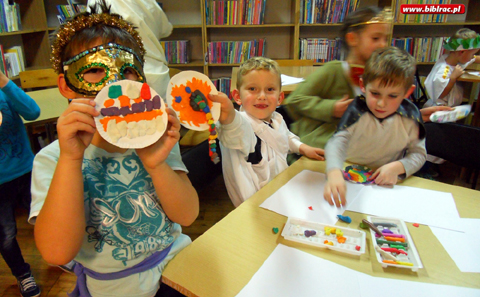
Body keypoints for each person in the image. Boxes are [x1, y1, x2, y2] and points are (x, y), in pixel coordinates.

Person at [28, 2, 198, 296]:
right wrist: (70, 159)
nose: (117, 81)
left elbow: (187, 216)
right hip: (112, 288)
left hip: (178, 268)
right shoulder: (53, 159)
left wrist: (156, 165)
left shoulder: (154, 140)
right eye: (94, 69)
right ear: (67, 85)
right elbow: (56, 253)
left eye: (129, 71)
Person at [210, 57, 325, 207]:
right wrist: (228, 115)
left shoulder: (276, 118)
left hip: (279, 192)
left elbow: (285, 137)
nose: (262, 96)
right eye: (252, 89)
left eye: (270, 89)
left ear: (279, 98)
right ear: (237, 97)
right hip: (254, 205)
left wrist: (302, 147)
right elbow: (234, 130)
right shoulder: (242, 125)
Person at [283, 6, 391, 163]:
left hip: (359, 152)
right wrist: (330, 108)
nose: (383, 45)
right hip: (320, 152)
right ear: (352, 39)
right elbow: (294, 100)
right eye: (375, 38)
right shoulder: (333, 70)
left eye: (385, 39)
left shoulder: (379, 76)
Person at [323, 47, 426, 207]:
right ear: (363, 85)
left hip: (382, 183)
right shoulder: (356, 110)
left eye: (392, 96)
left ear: (407, 92)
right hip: (347, 175)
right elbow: (336, 143)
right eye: (375, 93)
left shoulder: (410, 116)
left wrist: (399, 167)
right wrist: (334, 171)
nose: (381, 103)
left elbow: (419, 154)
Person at [0, 70, 41, 297]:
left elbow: (33, 112)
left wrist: (5, 83)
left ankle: (64, 255)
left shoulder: (4, 90)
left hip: (26, 169)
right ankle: (22, 273)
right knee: (5, 235)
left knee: (45, 216)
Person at [87, 0, 173, 100]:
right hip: (156, 73)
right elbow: (166, 30)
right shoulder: (149, 2)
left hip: (121, 72)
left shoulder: (97, 1)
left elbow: (91, 34)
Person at [424, 28, 480, 108]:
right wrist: (453, 78)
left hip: (450, 107)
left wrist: (473, 56)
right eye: (472, 54)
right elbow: (441, 94)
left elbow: (475, 58)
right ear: (462, 52)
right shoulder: (443, 70)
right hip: (440, 109)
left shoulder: (455, 59)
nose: (472, 57)